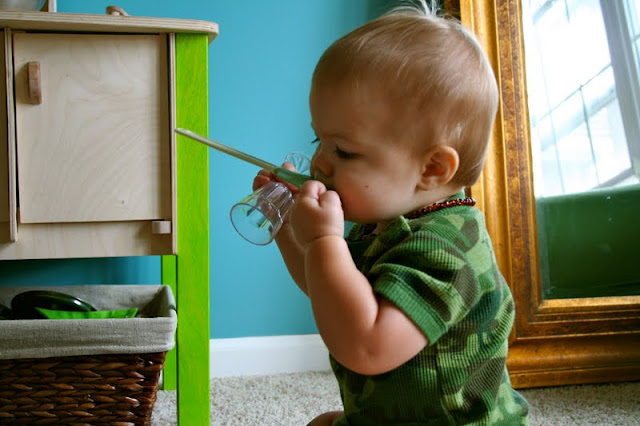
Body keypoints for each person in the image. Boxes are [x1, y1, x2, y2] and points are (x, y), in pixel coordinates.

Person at [252, 1, 529, 424]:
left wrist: (323, 239)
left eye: (344, 151)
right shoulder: (380, 225)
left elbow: (366, 347)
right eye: (318, 142)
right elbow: (329, 291)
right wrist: (287, 226)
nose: (321, 163)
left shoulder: (444, 251)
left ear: (432, 169)